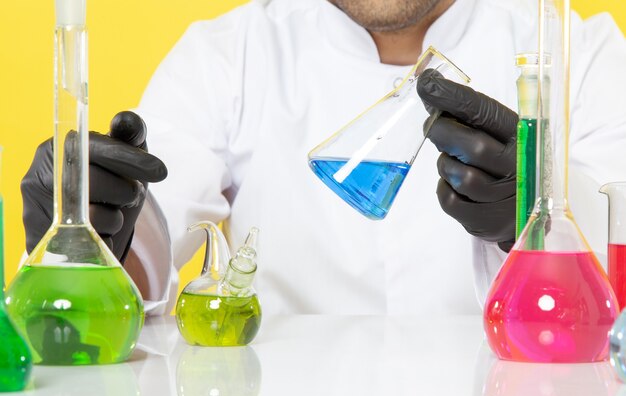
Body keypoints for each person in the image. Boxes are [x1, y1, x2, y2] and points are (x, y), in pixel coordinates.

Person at [21, 0, 626, 315]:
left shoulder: (579, 50)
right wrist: (88, 228)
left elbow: (615, 274)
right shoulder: (232, 54)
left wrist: (537, 217)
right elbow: (140, 253)